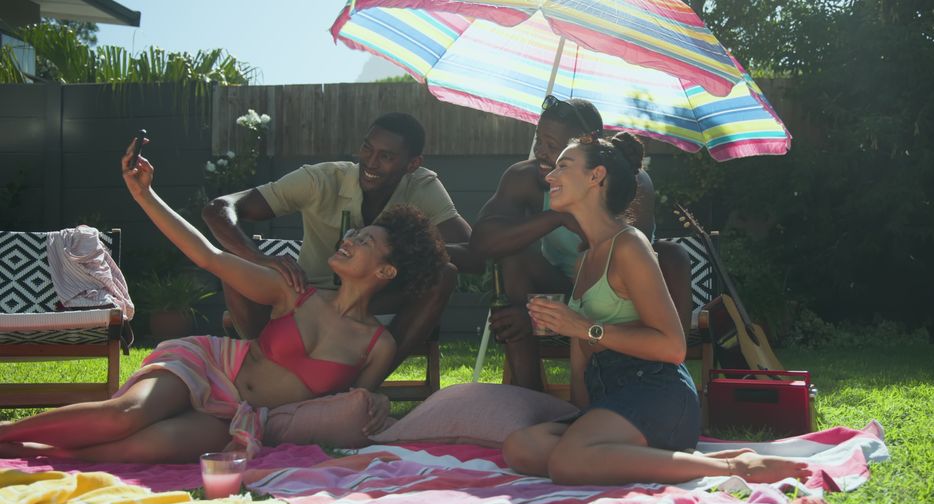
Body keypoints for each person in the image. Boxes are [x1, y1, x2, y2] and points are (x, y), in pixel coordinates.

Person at [0, 140, 447, 464]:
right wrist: (144, 195)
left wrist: (380, 405)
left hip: (236, 418)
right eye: (354, 233)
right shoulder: (294, 291)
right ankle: (6, 434)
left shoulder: (378, 345)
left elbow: (356, 407)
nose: (349, 239)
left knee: (133, 450)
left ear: (385, 272)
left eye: (364, 240)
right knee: (126, 416)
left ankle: (23, 451)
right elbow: (208, 255)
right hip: (210, 366)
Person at [501, 132, 810, 485]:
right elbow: (581, 355)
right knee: (521, 447)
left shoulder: (630, 245)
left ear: (595, 176)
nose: (550, 177)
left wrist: (586, 328)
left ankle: (732, 468)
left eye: (563, 167)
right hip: (611, 397)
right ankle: (653, 459)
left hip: (655, 392)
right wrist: (583, 415)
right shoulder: (585, 259)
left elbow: (673, 347)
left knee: (567, 462)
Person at [203, 112, 478, 381]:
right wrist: (258, 258)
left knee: (445, 274)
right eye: (367, 149)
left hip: (373, 301)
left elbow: (474, 257)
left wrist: (406, 250)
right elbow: (219, 208)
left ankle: (363, 385)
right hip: (304, 297)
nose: (370, 162)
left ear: (412, 163)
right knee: (235, 265)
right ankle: (264, 372)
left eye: (386, 156)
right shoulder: (320, 180)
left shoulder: (422, 186)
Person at [469, 96, 691, 391]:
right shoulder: (525, 177)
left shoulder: (631, 184)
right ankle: (529, 394)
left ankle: (671, 374)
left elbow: (621, 270)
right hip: (563, 282)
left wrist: (544, 316)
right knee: (514, 259)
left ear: (588, 148)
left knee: (674, 256)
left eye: (553, 146)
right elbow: (481, 244)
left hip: (622, 290)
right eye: (538, 141)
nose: (541, 153)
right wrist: (554, 218)